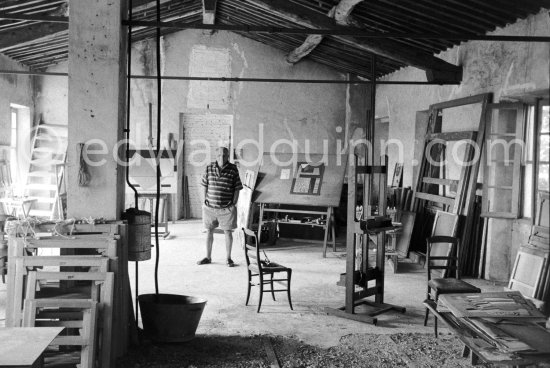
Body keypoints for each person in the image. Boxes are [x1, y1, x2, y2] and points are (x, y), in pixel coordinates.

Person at [197, 146, 243, 267]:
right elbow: (204, 185)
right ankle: (208, 257)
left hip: (226, 209)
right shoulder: (209, 168)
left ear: (228, 156)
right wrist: (203, 202)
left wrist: (233, 203)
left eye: (224, 155)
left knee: (228, 232)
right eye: (219, 155)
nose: (221, 157)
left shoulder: (233, 169)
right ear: (215, 156)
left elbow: (237, 188)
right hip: (209, 208)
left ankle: (228, 258)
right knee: (209, 231)